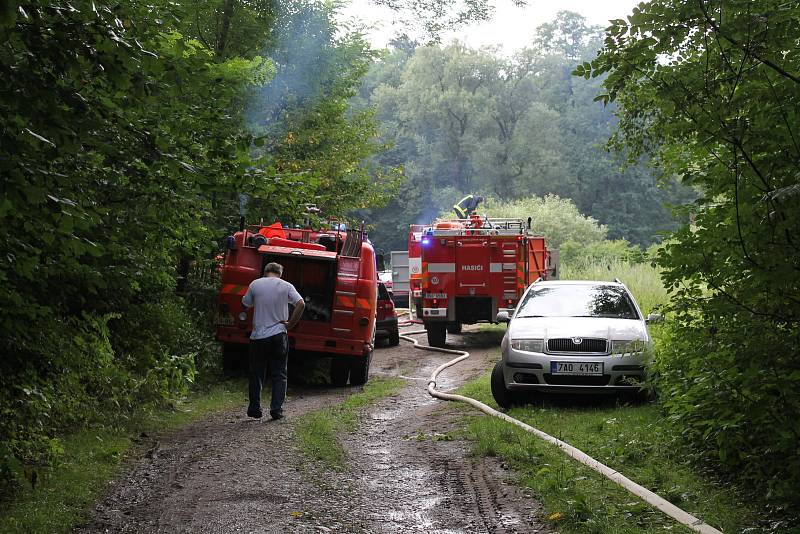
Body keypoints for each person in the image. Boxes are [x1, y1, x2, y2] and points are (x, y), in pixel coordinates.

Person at [241, 262, 305, 420]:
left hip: (258, 336)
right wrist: (291, 323)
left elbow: (245, 304)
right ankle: (276, 410)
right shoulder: (286, 286)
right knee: (279, 374)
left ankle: (254, 408)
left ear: (265, 272)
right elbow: (301, 303)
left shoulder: (255, 284)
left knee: (256, 373)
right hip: (278, 335)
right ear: (280, 274)